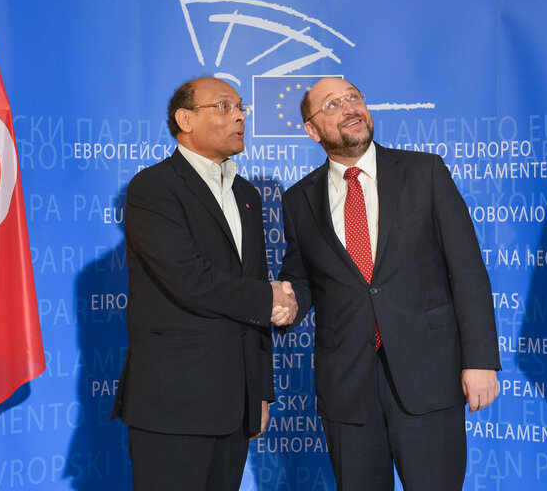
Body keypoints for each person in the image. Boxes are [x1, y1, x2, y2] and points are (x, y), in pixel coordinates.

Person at [276, 77, 500, 490]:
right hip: (347, 385)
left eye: (353, 98)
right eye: (332, 105)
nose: (349, 108)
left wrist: (480, 359)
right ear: (311, 129)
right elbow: (303, 279)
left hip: (429, 377)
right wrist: (286, 303)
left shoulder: (424, 172)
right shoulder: (298, 199)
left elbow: (467, 270)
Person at [111, 77, 296, 490]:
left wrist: (260, 389)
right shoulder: (154, 187)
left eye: (241, 106)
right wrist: (270, 296)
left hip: (235, 405)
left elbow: (251, 290)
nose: (240, 116)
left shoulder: (247, 195)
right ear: (185, 119)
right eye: (225, 106)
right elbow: (188, 279)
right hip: (173, 405)